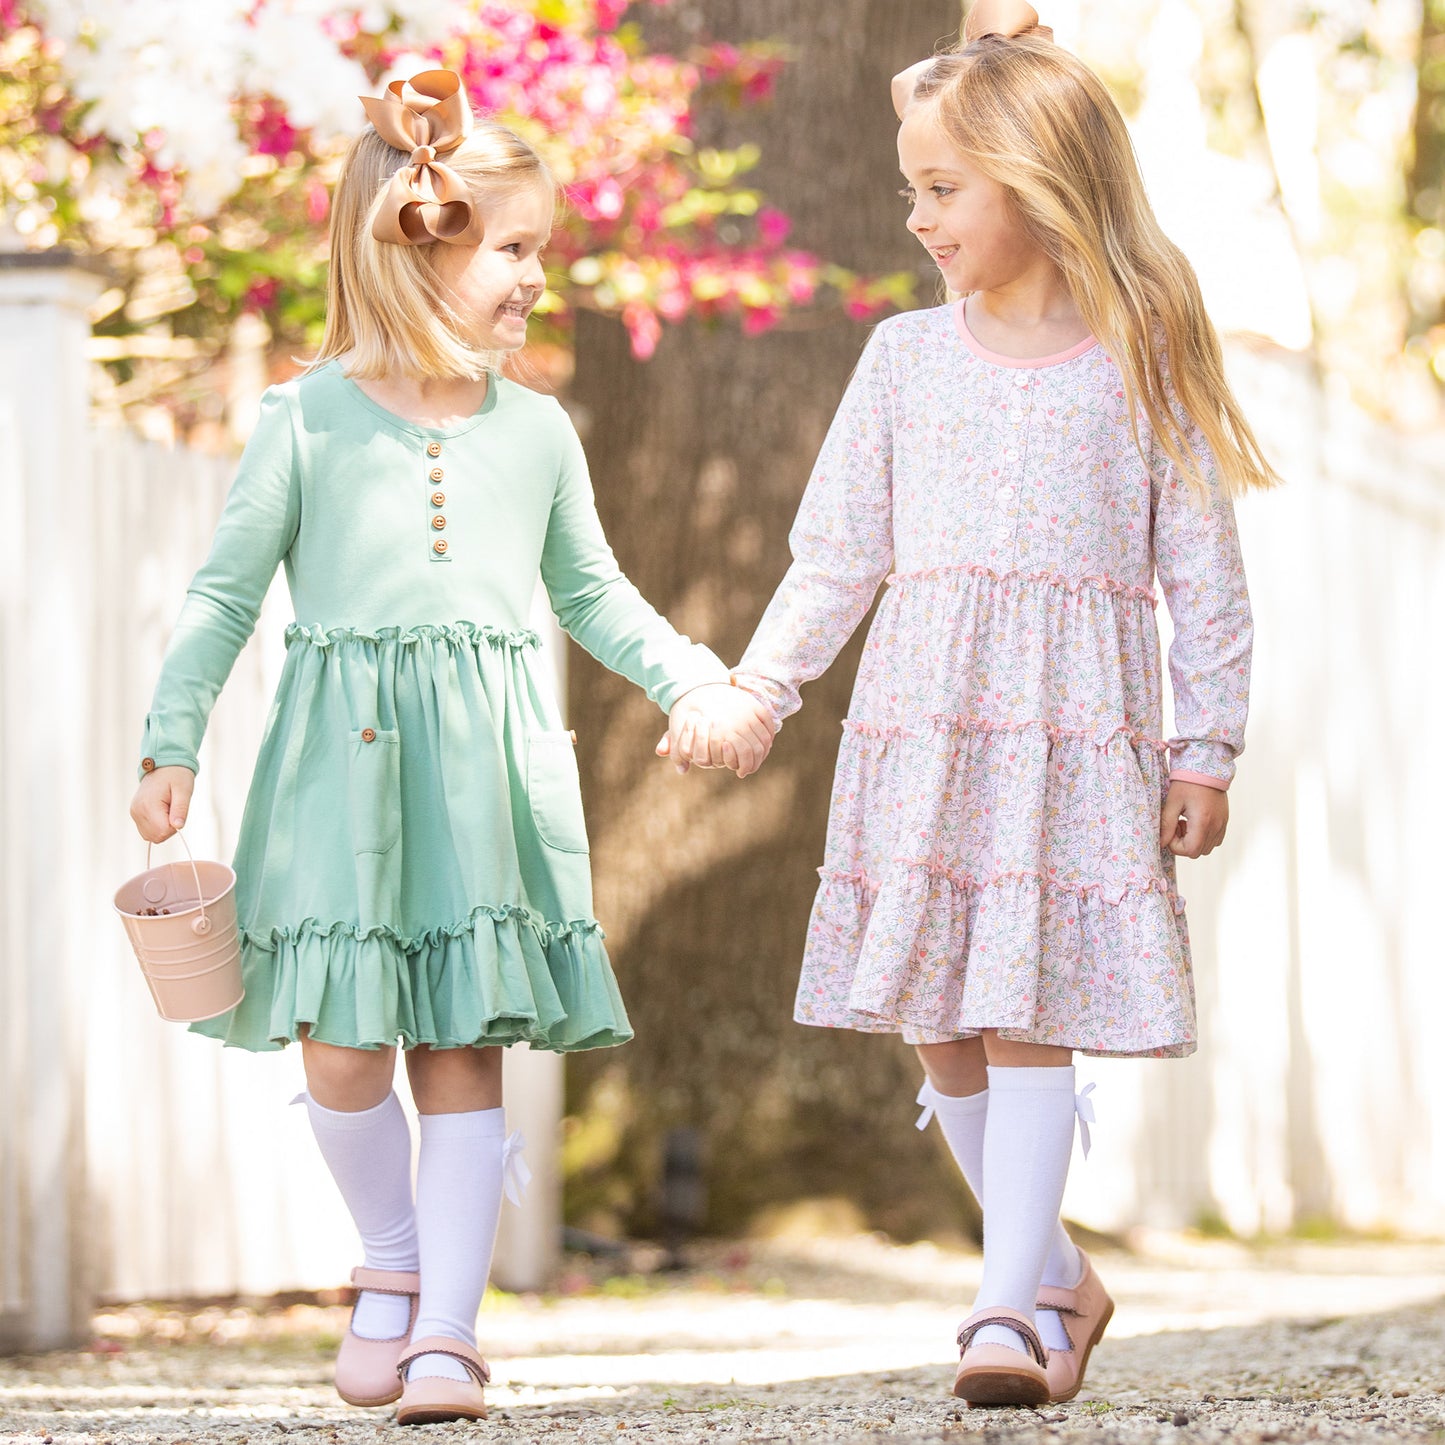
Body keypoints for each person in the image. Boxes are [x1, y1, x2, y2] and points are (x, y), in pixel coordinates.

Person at [129, 70, 771, 1426]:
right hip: (338, 778)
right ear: (414, 250)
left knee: (464, 1046)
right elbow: (227, 592)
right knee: (341, 1051)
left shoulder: (535, 431)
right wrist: (169, 737)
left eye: (540, 248)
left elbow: (590, 591)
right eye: (514, 249)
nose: (539, 278)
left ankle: (449, 1334)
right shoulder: (304, 422)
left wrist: (691, 678)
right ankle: (394, 1258)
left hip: (480, 775)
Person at [672, 0, 1275, 1407]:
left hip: (1069, 739)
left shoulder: (1140, 355)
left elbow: (1204, 568)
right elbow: (837, 556)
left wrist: (1205, 741)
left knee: (1023, 1006)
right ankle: (1055, 1266)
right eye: (911, 190)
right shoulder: (901, 358)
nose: (920, 217)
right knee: (935, 1017)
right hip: (922, 727)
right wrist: (762, 686)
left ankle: (1003, 1303)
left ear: (1041, 180)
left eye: (943, 188)